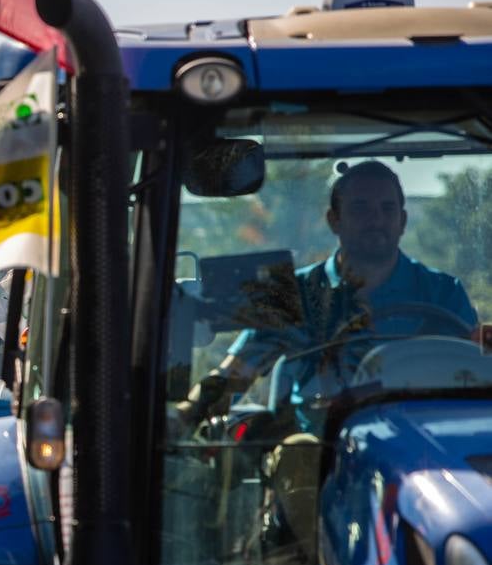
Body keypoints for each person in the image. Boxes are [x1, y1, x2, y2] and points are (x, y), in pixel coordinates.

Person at [178, 160, 478, 425]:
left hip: (416, 446)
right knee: (295, 456)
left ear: (402, 221)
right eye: (360, 208)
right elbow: (234, 374)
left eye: (387, 209)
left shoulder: (443, 294)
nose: (375, 220)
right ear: (334, 220)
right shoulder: (290, 292)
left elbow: (476, 374)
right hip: (317, 452)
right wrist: (184, 414)